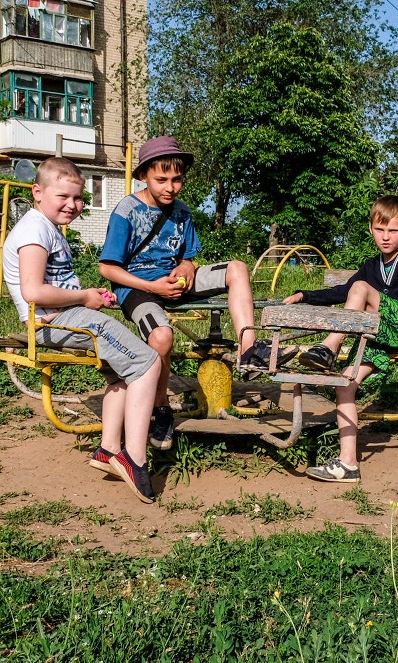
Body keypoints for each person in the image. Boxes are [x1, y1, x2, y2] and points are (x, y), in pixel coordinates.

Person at [99, 136, 280, 452]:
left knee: (237, 267)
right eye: (161, 179)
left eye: (176, 179)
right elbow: (108, 269)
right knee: (162, 338)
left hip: (173, 284)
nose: (170, 187)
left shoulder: (182, 212)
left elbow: (187, 257)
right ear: (143, 176)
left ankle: (249, 350)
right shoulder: (126, 210)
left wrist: (185, 269)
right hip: (138, 289)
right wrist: (153, 287)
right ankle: (161, 409)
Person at [3, 157, 163, 504]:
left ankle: (108, 449)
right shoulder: (34, 230)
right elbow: (33, 291)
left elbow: (53, 284)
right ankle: (134, 458)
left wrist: (91, 296)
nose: (72, 205)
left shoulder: (46, 227)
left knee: (122, 374)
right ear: (38, 192)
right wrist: (84, 297)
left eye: (78, 199)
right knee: (147, 362)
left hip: (64, 316)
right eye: (64, 196)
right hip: (55, 321)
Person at [283, 195, 398, 483]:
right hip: (377, 334)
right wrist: (306, 295)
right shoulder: (372, 265)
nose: (386, 237)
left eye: (393, 231)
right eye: (380, 230)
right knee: (345, 384)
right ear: (371, 229)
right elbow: (342, 292)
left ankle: (329, 347)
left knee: (361, 288)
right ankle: (348, 464)